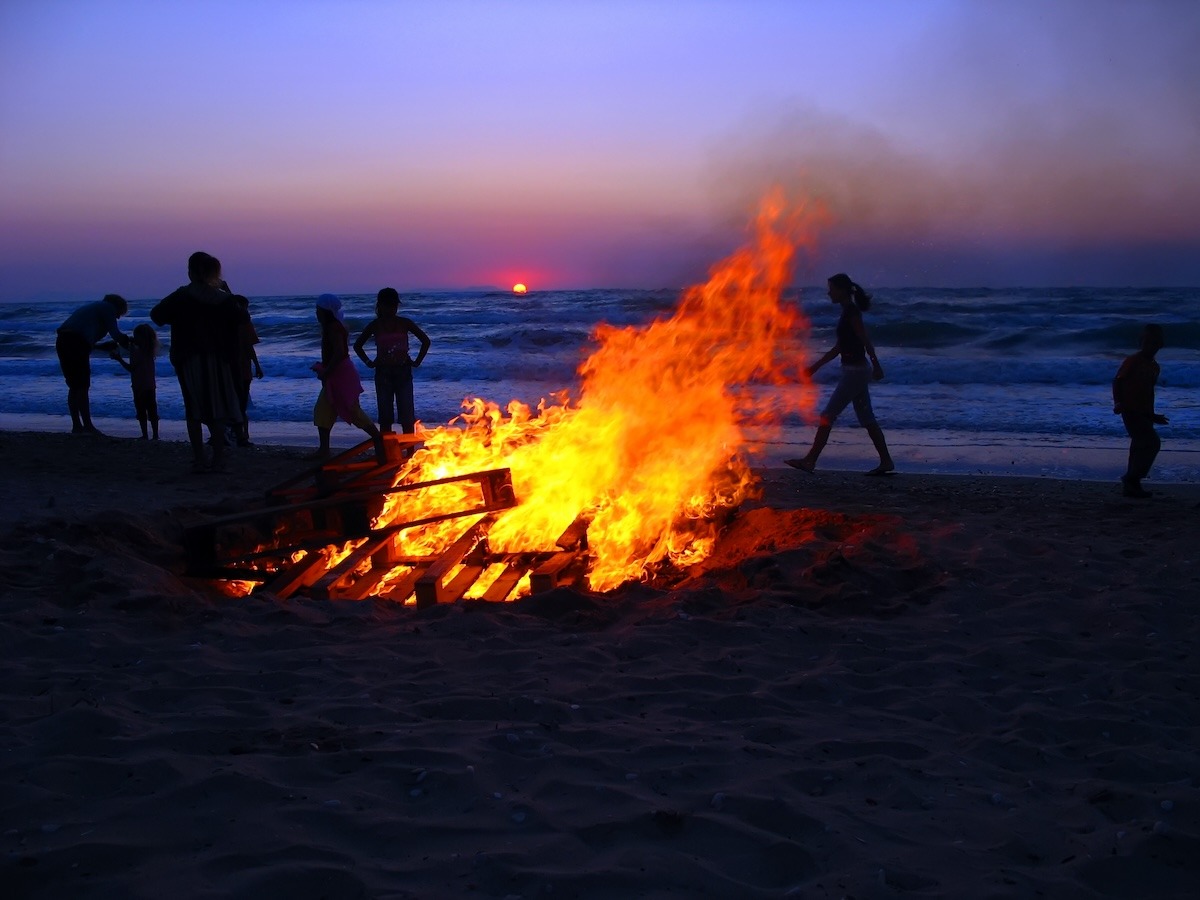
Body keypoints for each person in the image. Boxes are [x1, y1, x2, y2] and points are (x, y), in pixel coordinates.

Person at [786, 273, 895, 476]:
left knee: (828, 415)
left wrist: (877, 365)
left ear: (842, 290)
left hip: (856, 373)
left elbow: (865, 340)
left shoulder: (852, 312)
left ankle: (810, 461)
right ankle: (886, 461)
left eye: (832, 289)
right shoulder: (846, 312)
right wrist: (816, 366)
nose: (829, 293)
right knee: (867, 418)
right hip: (855, 371)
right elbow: (839, 347)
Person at [150, 252, 248, 473]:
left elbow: (156, 315)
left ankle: (200, 458)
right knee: (218, 408)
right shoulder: (222, 298)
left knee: (193, 408)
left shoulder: (182, 296)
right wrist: (227, 291)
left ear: (192, 272)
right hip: (219, 358)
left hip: (189, 357)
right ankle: (218, 458)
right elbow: (242, 317)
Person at [312, 293, 385, 459]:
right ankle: (324, 450)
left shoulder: (333, 328)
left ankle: (378, 438)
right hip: (337, 372)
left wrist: (326, 371)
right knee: (323, 410)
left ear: (325, 311)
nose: (316, 313)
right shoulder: (333, 327)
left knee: (352, 409)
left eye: (318, 310)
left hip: (341, 374)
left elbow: (339, 353)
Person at [353, 287, 431, 434]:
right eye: (387, 305)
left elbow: (425, 341)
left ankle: (409, 453)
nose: (391, 309)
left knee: (407, 416)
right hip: (383, 374)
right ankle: (388, 452)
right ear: (380, 305)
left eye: (394, 305)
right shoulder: (375, 325)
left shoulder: (405, 323)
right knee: (385, 417)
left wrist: (417, 361)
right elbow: (358, 346)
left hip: (403, 372)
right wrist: (369, 362)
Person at [55, 293, 131, 434]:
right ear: (117, 306)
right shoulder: (108, 308)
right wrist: (133, 346)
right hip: (74, 343)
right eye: (119, 313)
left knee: (74, 386)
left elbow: (83, 337)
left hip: (63, 341)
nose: (118, 317)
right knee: (82, 386)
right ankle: (88, 425)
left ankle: (77, 426)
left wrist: (101, 346)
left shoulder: (94, 308)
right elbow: (116, 334)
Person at [1112, 324, 1167, 499]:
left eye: (1154, 343)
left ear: (1159, 345)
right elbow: (1118, 382)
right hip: (1130, 409)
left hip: (1144, 411)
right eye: (1146, 342)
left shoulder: (1154, 366)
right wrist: (1118, 402)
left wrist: (1152, 415)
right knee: (1152, 442)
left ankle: (1132, 486)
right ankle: (1131, 478)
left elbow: (1148, 392)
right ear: (1141, 343)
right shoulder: (1132, 361)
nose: (1150, 346)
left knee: (1138, 446)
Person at [109, 323, 160, 439]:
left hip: (139, 385)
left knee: (141, 410)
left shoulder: (137, 351)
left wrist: (119, 359)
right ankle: (155, 435)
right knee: (152, 410)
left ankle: (145, 434)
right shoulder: (150, 350)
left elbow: (132, 368)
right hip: (150, 385)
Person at [232, 294, 264, 447]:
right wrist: (257, 366)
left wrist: (256, 366)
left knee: (236, 402)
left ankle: (240, 433)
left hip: (234, 368)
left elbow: (249, 347)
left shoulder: (227, 324)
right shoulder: (245, 324)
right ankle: (242, 435)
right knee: (241, 403)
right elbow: (250, 347)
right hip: (240, 368)